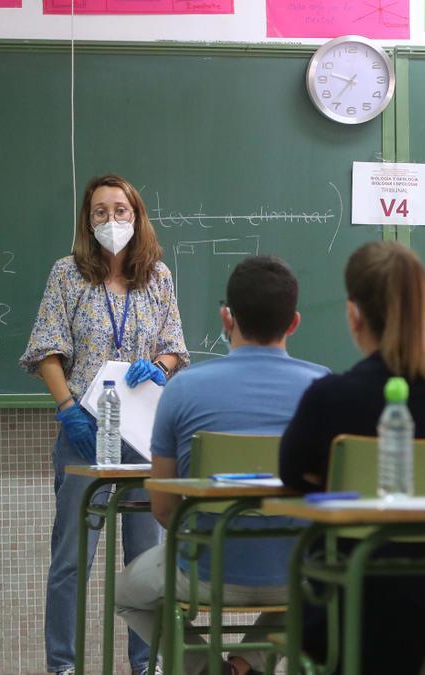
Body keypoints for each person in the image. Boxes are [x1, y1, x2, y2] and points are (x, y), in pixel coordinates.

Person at [115, 254, 327, 675]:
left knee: (123, 592)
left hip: (202, 574)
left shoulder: (182, 390)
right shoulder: (324, 390)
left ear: (226, 317)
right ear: (294, 322)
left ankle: (207, 669)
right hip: (297, 570)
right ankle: (247, 665)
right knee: (320, 587)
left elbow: (162, 507)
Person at [279, 241, 425, 673]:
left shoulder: (329, 399)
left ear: (354, 314)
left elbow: (291, 474)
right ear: (423, 308)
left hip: (352, 607)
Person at [20, 174, 188, 675]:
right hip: (85, 431)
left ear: (136, 216)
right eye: (99, 212)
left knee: (145, 559)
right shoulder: (68, 274)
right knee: (72, 559)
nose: (110, 220)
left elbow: (175, 346)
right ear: (86, 220)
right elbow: (47, 349)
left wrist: (160, 367)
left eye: (120, 210)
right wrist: (68, 407)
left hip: (142, 434)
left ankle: (146, 663)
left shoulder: (157, 275)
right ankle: (63, 666)